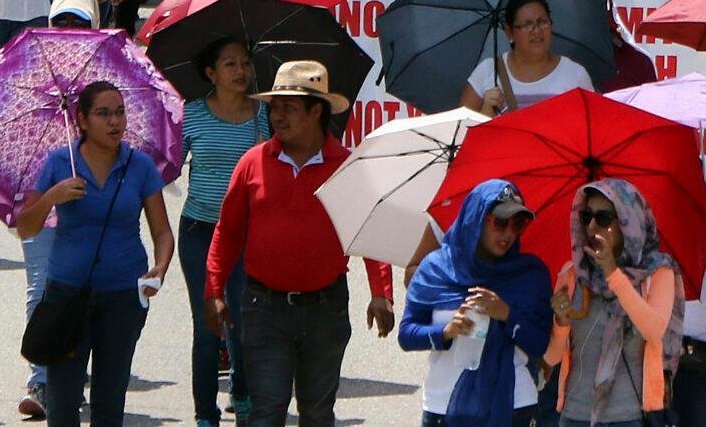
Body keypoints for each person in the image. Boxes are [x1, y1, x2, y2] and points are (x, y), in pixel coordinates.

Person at [206, 62, 396, 427]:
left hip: (326, 309)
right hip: (263, 307)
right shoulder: (253, 162)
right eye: (274, 106)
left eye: (288, 107)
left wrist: (381, 293)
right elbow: (227, 231)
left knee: (317, 414)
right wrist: (213, 289)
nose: (276, 115)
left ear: (316, 111)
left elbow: (369, 228)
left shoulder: (347, 165)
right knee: (265, 413)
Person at [17, 81, 175, 427]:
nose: (115, 121)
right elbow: (26, 227)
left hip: (123, 296)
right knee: (62, 401)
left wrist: (160, 269)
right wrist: (51, 198)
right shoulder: (60, 163)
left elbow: (162, 231)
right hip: (66, 295)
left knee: (110, 398)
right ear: (82, 121)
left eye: (119, 112)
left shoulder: (141, 166)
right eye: (103, 113)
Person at [402, 179, 554, 427]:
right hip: (443, 405)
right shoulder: (435, 269)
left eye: (517, 224)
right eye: (500, 222)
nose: (508, 233)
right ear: (476, 218)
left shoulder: (529, 274)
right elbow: (407, 335)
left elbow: (541, 344)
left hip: (513, 405)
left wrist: (506, 314)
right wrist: (447, 331)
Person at [180, 38, 268, 427]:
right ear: (211, 74)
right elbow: (167, 166)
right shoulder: (192, 114)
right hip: (200, 231)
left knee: (243, 318)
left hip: (247, 233)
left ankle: (242, 392)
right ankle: (204, 413)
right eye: (229, 64)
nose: (240, 72)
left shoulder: (264, 116)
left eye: (245, 63)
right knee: (208, 322)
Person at [549, 179, 683, 427]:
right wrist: (560, 323)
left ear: (627, 222)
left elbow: (653, 331)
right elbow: (552, 358)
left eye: (603, 218)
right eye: (586, 216)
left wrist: (613, 274)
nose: (591, 226)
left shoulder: (656, 272)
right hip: (575, 415)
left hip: (629, 417)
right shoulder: (572, 275)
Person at [462, 0, 597, 114]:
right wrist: (485, 112)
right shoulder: (488, 72)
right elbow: (458, 134)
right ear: (509, 32)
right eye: (527, 25)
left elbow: (594, 128)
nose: (537, 31)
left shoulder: (575, 75)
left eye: (542, 22)